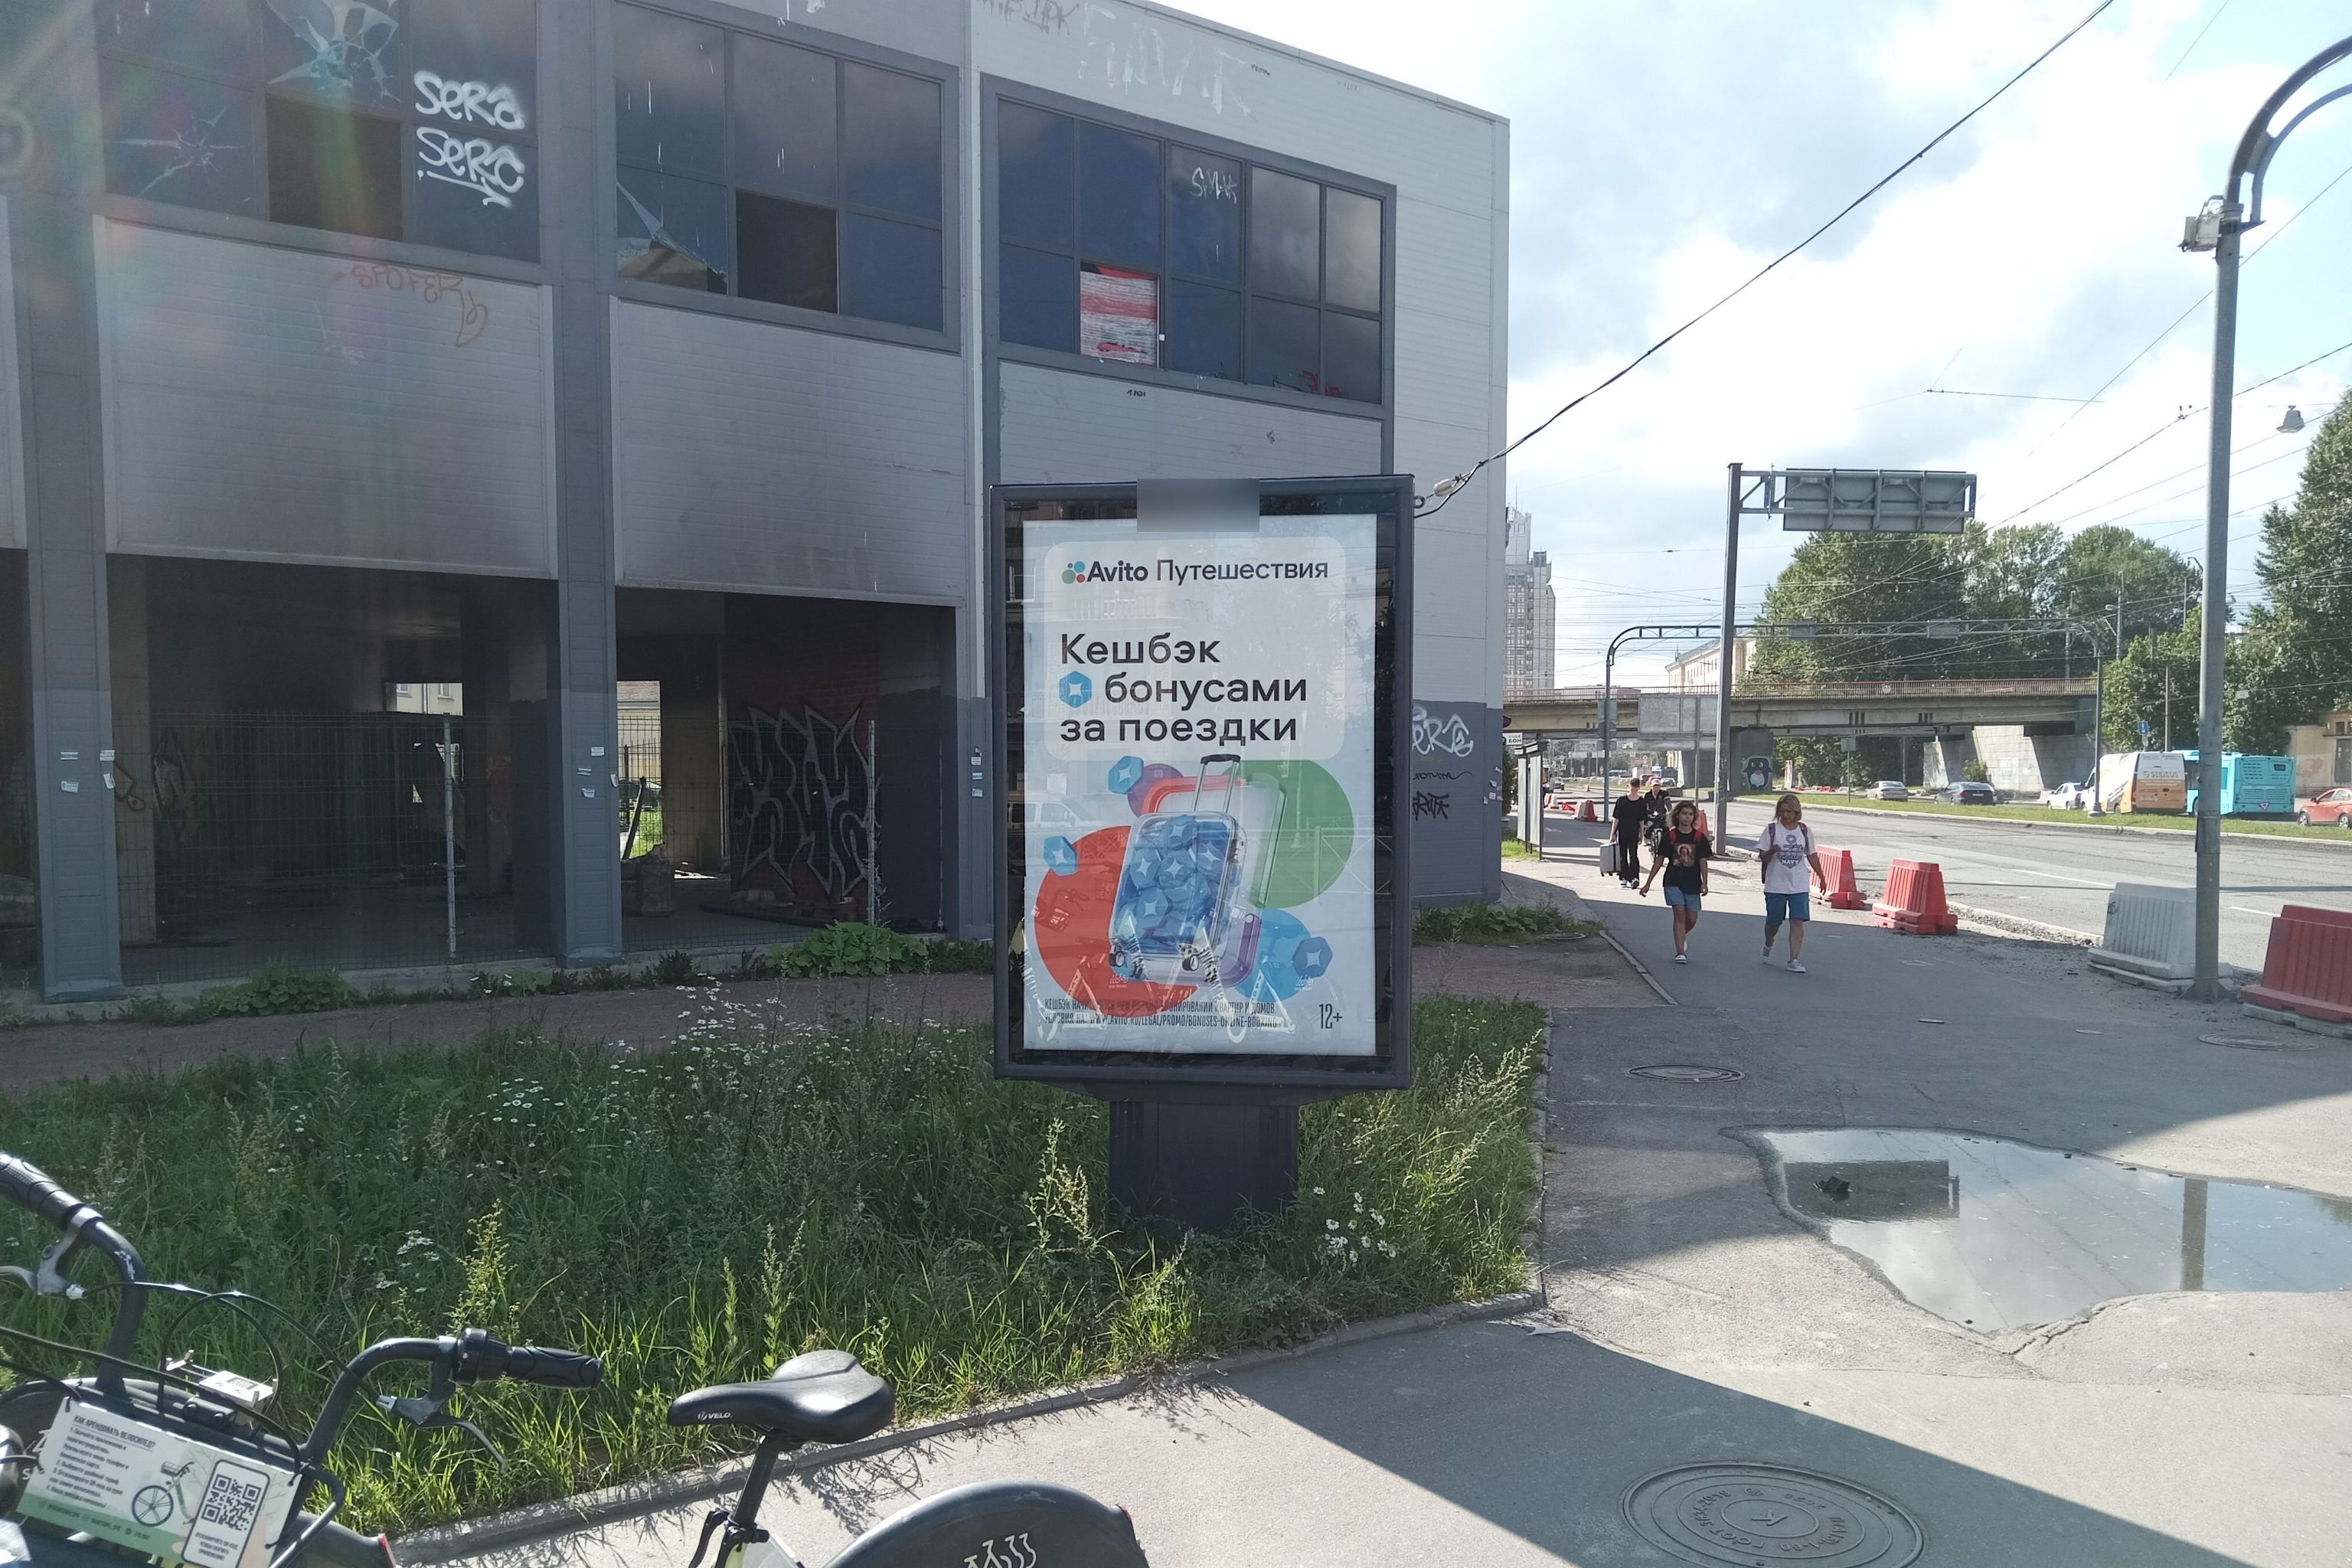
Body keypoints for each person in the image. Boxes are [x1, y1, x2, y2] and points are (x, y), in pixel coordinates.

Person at [1758, 792, 1828, 972]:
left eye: (1789, 811)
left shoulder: (1804, 831)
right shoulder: (1772, 830)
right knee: (1774, 921)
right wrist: (1772, 851)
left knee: (1797, 920)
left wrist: (1821, 877)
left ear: (1797, 812)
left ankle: (1794, 960)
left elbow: (1812, 855)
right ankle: (1769, 942)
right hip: (1776, 885)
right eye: (1782, 811)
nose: (1786, 815)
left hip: (1799, 884)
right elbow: (1763, 857)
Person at [1640, 799, 1713, 964]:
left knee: (1692, 918)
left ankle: (1681, 935)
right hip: (1673, 881)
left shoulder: (1699, 838)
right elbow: (1659, 860)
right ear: (1677, 816)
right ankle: (1680, 952)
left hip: (1693, 883)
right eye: (1684, 814)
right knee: (1679, 913)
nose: (1687, 817)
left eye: (1691, 814)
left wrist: (1705, 882)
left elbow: (1703, 861)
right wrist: (1648, 883)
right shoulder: (1670, 837)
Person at [1609, 786, 1647, 887]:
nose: (1634, 792)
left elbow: (1642, 820)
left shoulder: (1641, 802)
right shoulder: (1621, 800)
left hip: (1634, 832)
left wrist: (1642, 833)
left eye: (1636, 790)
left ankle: (1634, 878)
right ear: (1628, 788)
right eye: (1632, 790)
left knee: (1633, 855)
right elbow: (1616, 818)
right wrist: (1613, 833)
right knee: (1623, 854)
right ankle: (1624, 877)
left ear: (1638, 788)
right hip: (1623, 831)